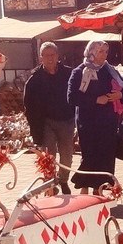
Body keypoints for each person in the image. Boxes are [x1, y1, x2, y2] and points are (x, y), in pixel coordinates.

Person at [67, 40, 123, 194]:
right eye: (101, 51)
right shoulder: (79, 72)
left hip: (108, 122)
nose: (104, 55)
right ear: (91, 52)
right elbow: (72, 97)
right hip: (88, 122)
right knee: (89, 155)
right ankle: (84, 191)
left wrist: (119, 94)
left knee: (105, 155)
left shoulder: (109, 70)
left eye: (106, 52)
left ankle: (99, 191)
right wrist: (95, 100)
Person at [23, 42, 75, 193]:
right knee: (48, 156)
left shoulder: (68, 73)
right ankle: (51, 185)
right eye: (46, 55)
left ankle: (63, 180)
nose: (50, 58)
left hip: (67, 120)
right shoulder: (34, 79)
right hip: (46, 122)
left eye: (52, 55)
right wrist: (34, 129)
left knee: (67, 155)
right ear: (41, 58)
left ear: (58, 56)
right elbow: (29, 106)